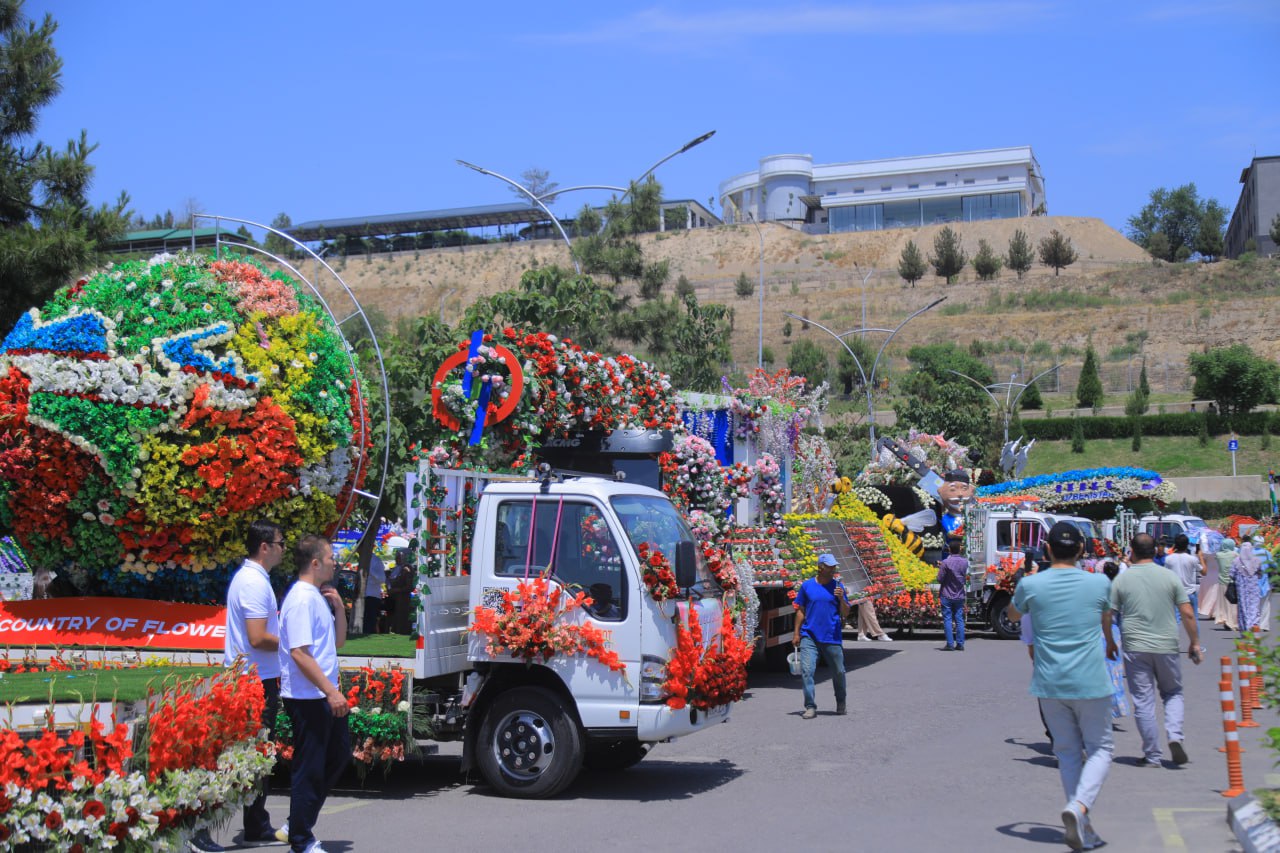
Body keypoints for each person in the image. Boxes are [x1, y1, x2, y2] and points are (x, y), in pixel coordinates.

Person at [1007, 521, 1115, 852]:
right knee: (1100, 749)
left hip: (1049, 680)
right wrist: (1110, 642)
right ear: (1082, 549)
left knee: (1067, 752)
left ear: (1048, 549)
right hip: (1091, 679)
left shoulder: (1032, 584)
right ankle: (1079, 807)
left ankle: (1080, 822)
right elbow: (1107, 617)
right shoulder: (1099, 583)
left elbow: (1012, 615)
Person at [205, 520, 288, 851]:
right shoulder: (253, 582)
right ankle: (205, 824)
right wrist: (292, 644)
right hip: (252, 681)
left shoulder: (255, 579)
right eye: (280, 543)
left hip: (254, 678)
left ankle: (256, 822)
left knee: (256, 757)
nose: (284, 548)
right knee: (246, 757)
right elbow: (257, 637)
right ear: (264, 547)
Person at [280, 535, 350, 853]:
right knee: (310, 765)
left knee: (337, 755)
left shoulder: (317, 597)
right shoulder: (301, 599)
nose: (335, 561)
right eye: (330, 556)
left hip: (321, 694)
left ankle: (298, 821)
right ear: (315, 563)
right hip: (308, 696)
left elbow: (336, 644)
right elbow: (299, 653)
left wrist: (339, 608)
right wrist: (331, 691)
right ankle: (301, 838)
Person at [1110, 532, 1203, 770]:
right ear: (1156, 551)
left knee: (1143, 701)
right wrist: (1194, 643)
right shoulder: (1169, 578)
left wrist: (1110, 642)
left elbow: (1108, 614)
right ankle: (1175, 735)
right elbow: (1188, 613)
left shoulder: (1122, 579)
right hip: (1166, 644)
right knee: (1172, 692)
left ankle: (1152, 755)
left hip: (1134, 646)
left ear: (1132, 551)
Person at [791, 553, 851, 719]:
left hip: (831, 636)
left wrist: (841, 599)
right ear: (820, 567)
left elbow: (846, 612)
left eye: (834, 566)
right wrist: (796, 633)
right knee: (807, 671)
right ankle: (810, 706)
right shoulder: (807, 586)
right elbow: (801, 610)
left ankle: (841, 701)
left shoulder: (838, 587)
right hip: (809, 635)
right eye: (830, 566)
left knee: (839, 671)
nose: (833, 569)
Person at [936, 540, 968, 651]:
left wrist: (941, 567)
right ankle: (960, 643)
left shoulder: (945, 563)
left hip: (946, 594)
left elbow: (939, 579)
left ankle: (950, 644)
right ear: (960, 549)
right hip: (959, 594)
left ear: (949, 550)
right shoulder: (965, 562)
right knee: (959, 619)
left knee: (948, 619)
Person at [1163, 534, 1203, 620]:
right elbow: (1204, 572)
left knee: (1176, 619)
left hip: (1176, 593)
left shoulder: (1168, 559)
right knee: (1194, 619)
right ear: (1187, 545)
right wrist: (1201, 557)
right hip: (1190, 592)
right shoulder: (1192, 559)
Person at [1233, 541, 1265, 635]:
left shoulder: (1236, 561)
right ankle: (1254, 631)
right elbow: (1260, 573)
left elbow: (1231, 574)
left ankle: (1245, 630)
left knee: (1243, 609)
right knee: (1254, 609)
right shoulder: (1257, 560)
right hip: (1254, 588)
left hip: (1241, 589)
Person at [1212, 538, 1240, 631]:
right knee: (1232, 604)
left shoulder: (1218, 555)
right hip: (1232, 582)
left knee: (1223, 604)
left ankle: (1224, 619)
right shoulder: (1235, 554)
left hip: (1221, 582)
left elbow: (1215, 554)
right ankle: (1233, 622)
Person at [387, 549, 415, 634]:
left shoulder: (407, 568)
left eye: (399, 556)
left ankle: (402, 633)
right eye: (396, 556)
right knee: (394, 620)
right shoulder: (396, 568)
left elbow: (409, 587)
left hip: (403, 599)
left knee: (402, 620)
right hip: (394, 599)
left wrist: (396, 590)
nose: (396, 558)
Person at [362, 550, 387, 636]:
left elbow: (382, 579)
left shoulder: (376, 561)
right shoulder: (362, 559)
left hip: (372, 595)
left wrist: (370, 571)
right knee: (364, 621)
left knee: (370, 622)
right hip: (363, 595)